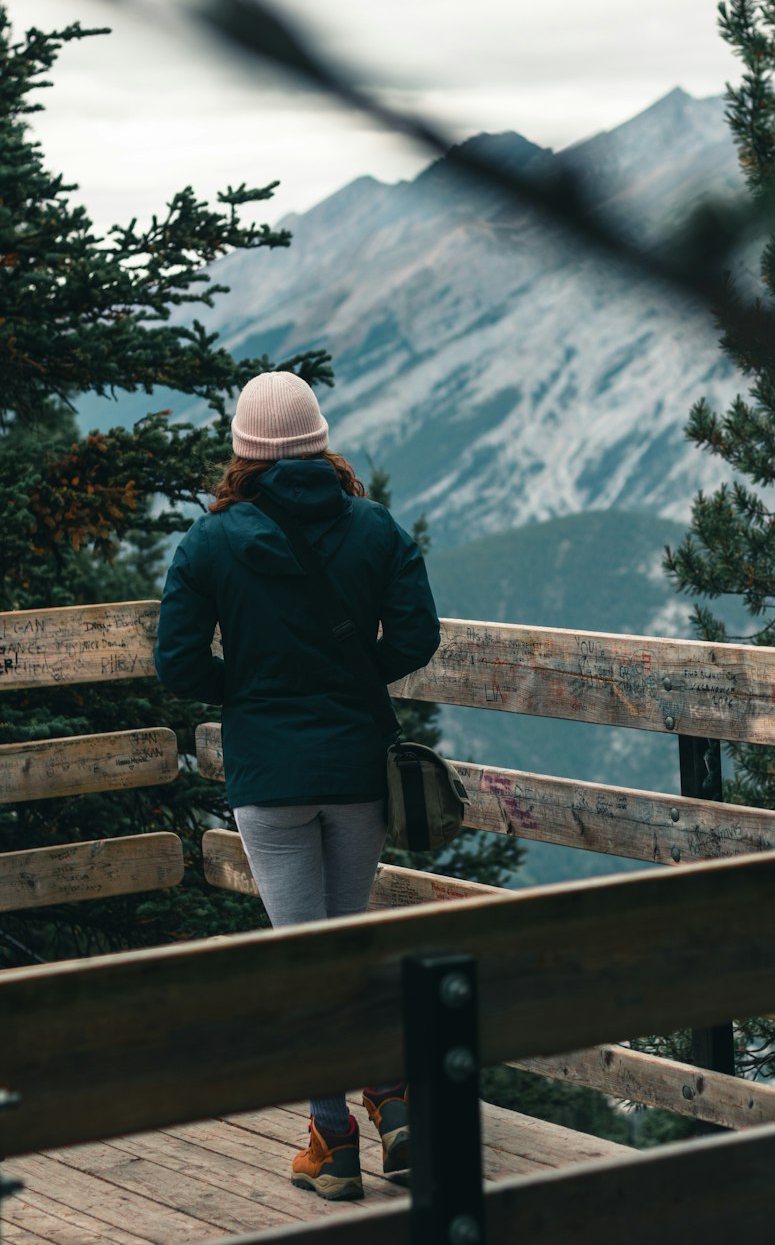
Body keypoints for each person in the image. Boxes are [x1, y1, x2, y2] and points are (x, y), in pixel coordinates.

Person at [154, 370, 441, 1201]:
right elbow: (417, 635)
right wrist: (358, 680)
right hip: (355, 770)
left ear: (244, 451)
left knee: (305, 957)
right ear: (320, 440)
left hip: (269, 777)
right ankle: (390, 1098)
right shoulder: (374, 528)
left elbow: (176, 663)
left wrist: (250, 690)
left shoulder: (209, 542)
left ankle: (333, 1138)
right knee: (345, 944)